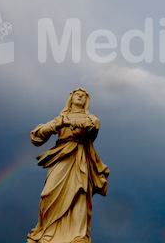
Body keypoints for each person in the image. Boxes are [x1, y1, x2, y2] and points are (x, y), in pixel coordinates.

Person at [27, 88, 109, 243]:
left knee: (78, 193)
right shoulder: (60, 118)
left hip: (79, 158)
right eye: (77, 94)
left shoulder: (91, 118)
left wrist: (71, 122)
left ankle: (77, 236)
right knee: (48, 193)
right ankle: (47, 233)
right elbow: (36, 137)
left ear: (87, 101)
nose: (80, 96)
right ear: (70, 98)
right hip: (60, 157)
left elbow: (92, 128)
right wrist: (55, 125)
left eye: (83, 96)